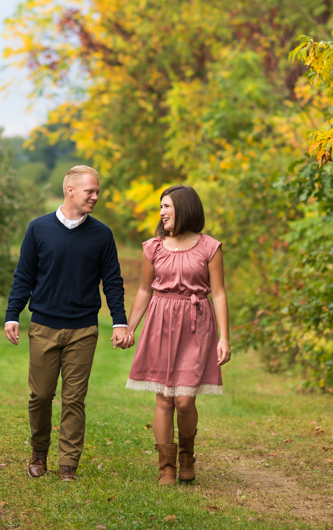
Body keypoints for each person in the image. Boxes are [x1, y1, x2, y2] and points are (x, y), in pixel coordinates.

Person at [5, 165, 128, 482]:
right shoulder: (39, 229)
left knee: (74, 399)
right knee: (41, 396)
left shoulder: (102, 234)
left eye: (97, 191)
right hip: (43, 326)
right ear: (70, 190)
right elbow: (24, 276)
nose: (96, 197)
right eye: (91, 191)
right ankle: (39, 452)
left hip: (83, 329)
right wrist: (12, 314)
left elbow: (112, 281)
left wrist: (119, 322)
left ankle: (68, 465)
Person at [120, 185, 231, 485]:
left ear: (184, 208)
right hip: (160, 323)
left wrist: (224, 337)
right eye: (160, 207)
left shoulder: (210, 247)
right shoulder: (153, 247)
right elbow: (144, 289)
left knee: (184, 400)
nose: (161, 212)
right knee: (164, 398)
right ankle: (166, 467)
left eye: (167, 206)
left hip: (196, 324)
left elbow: (218, 293)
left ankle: (186, 456)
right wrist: (130, 327)